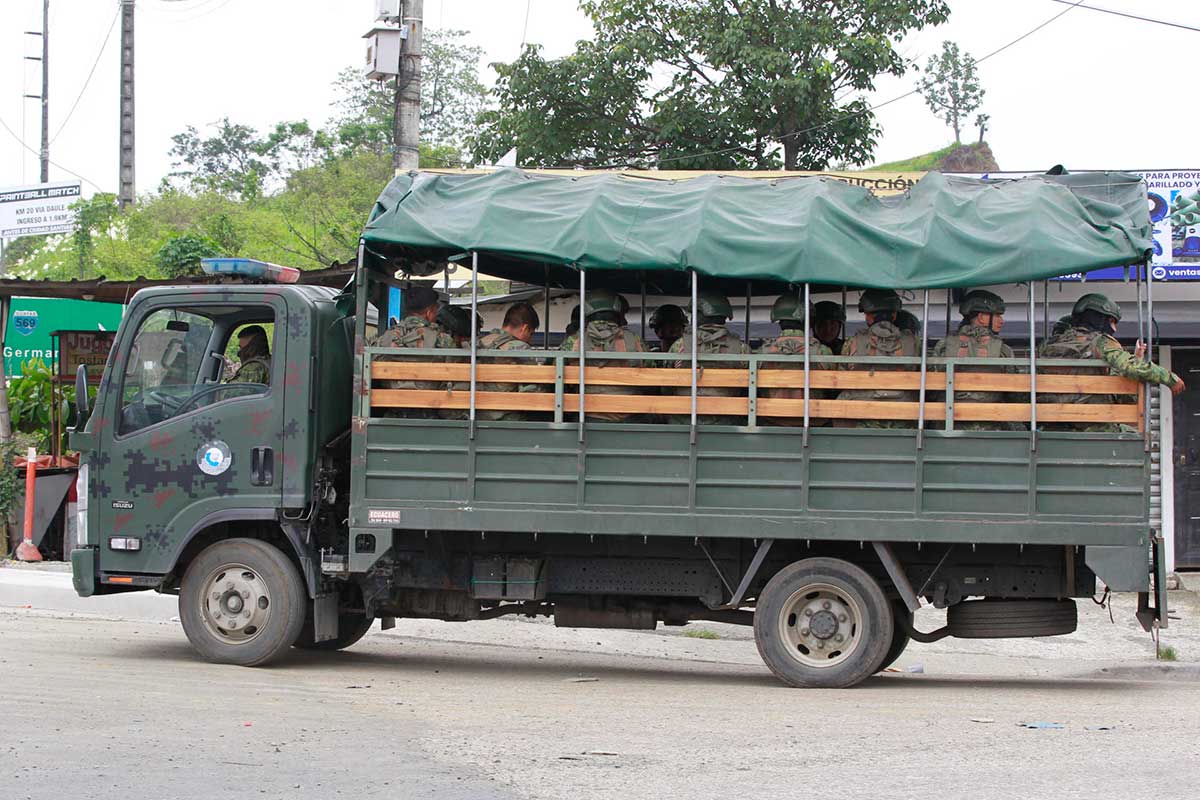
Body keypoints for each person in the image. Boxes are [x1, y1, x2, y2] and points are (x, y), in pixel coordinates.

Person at [1038, 293, 1184, 431]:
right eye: (1112, 321)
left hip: (1049, 419)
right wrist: (1168, 377)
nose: (1114, 328)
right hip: (1090, 421)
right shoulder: (1100, 341)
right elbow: (1129, 367)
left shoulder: (1047, 345)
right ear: (1098, 319)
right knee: (1132, 435)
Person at [931, 290, 1016, 430]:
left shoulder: (944, 346)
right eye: (997, 315)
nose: (1002, 321)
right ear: (982, 317)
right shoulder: (1003, 350)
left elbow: (933, 389)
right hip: (991, 423)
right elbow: (1014, 393)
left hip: (948, 422)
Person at [370, 285, 460, 418]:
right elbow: (455, 375)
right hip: (432, 413)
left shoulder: (385, 338)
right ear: (429, 312)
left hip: (393, 411)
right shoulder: (443, 340)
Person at [561, 289, 647, 422]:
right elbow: (650, 369)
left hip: (588, 415)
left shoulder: (574, 341)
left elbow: (557, 371)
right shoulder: (634, 339)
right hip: (629, 416)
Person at [836, 289, 917, 428]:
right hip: (904, 414)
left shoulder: (853, 341)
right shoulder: (914, 341)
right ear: (894, 314)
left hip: (861, 415)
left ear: (868, 315)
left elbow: (841, 376)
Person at [668, 291, 750, 425]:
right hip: (727, 419)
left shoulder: (679, 345)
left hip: (683, 419)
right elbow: (749, 388)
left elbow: (665, 384)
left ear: (700, 313)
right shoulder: (742, 349)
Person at [755, 293, 832, 426]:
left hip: (772, 419)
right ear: (809, 321)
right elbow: (831, 389)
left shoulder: (762, 353)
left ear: (778, 320)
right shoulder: (823, 352)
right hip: (812, 420)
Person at [472, 302, 544, 422]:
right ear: (525, 328)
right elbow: (531, 391)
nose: (530, 339)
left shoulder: (480, 342)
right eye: (531, 334)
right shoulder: (520, 347)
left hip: (477, 414)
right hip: (507, 416)